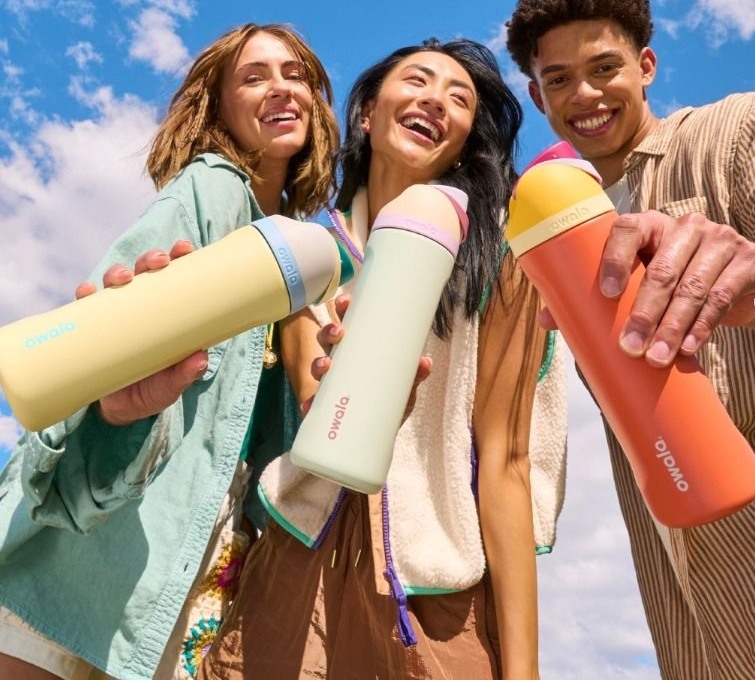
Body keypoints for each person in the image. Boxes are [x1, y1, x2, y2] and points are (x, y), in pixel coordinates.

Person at [198, 38, 568, 680]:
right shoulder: (308, 248)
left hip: (436, 586)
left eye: (459, 99)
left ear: (464, 144)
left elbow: (507, 463)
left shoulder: (502, 266)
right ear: (368, 113)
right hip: (296, 563)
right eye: (418, 81)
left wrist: (523, 671)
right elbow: (314, 402)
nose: (436, 100)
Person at [0, 22, 339, 680]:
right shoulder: (212, 186)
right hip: (96, 546)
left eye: (295, 74)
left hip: (189, 550)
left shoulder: (298, 250)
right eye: (255, 76)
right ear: (217, 107)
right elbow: (100, 353)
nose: (281, 88)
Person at [506, 0, 755, 679]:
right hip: (680, 580)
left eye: (604, 68)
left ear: (645, 66)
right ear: (537, 96)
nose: (584, 95)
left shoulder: (732, 134)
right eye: (558, 79)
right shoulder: (545, 236)